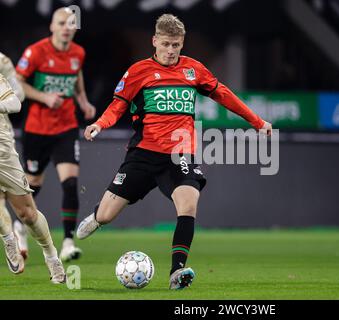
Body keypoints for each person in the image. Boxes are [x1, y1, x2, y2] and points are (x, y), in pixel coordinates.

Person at [76, 13, 272, 290]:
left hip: (180, 154)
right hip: (143, 154)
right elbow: (117, 106)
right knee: (107, 215)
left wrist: (258, 122)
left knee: (189, 204)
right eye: (166, 44)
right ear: (155, 41)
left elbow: (224, 95)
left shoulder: (194, 70)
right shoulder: (138, 72)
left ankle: (176, 272)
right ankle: (96, 218)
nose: (171, 51)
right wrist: (99, 124)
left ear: (182, 43)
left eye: (176, 45)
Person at [15, 7, 96, 262]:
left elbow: (77, 75)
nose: (66, 27)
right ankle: (20, 225)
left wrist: (83, 101)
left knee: (70, 183)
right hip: (37, 129)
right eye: (61, 23)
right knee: (33, 184)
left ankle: (68, 242)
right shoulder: (36, 52)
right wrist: (44, 97)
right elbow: (16, 82)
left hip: (66, 127)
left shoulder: (77, 53)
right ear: (52, 26)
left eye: (71, 23)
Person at [0, 64, 66, 284]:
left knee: (27, 213)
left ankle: (51, 256)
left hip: (3, 154)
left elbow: (14, 103)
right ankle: (9, 238)